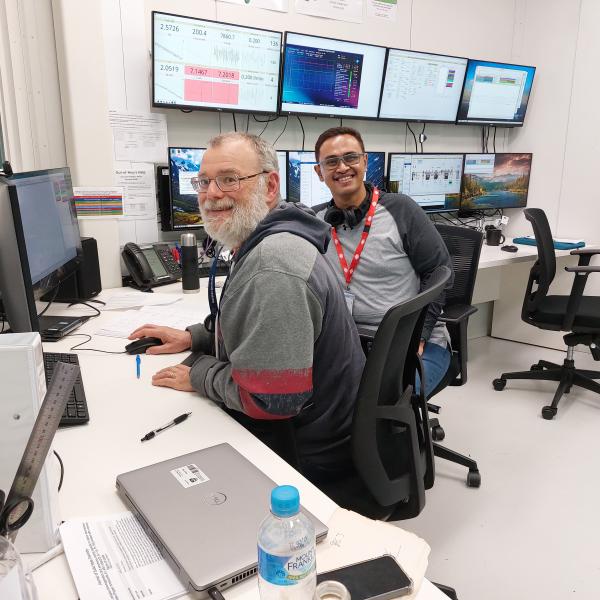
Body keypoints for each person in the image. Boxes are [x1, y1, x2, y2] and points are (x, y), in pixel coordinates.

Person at [129, 132, 365, 482]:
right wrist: (195, 338)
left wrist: (200, 373)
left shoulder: (274, 264)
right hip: (321, 425)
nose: (211, 194)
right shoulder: (271, 233)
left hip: (305, 452)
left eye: (229, 179)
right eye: (204, 181)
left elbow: (273, 400)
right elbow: (258, 324)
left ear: (270, 186)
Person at [312, 126, 453, 396]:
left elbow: (440, 273)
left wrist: (419, 336)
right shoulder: (316, 221)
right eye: (331, 162)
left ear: (365, 161)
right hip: (349, 343)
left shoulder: (401, 210)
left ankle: (399, 435)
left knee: (379, 397)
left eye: (351, 157)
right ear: (319, 172)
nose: (342, 167)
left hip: (409, 343)